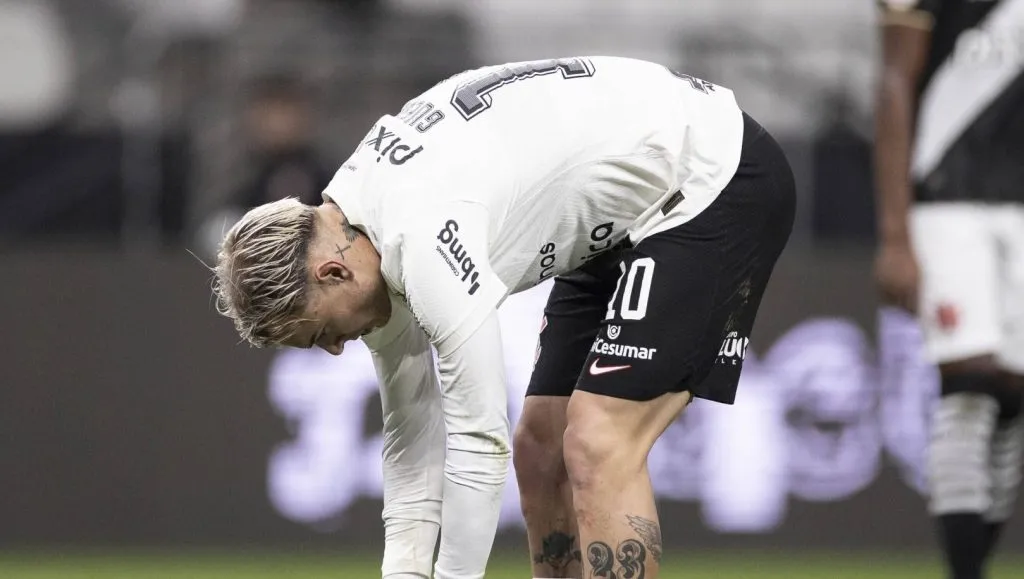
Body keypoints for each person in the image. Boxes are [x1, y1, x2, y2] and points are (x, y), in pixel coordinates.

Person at [213, 56, 795, 579]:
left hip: (709, 176)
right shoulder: (360, 226)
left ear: (331, 275)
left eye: (320, 334)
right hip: (626, 206)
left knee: (597, 438)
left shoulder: (421, 238)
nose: (338, 349)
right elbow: (413, 444)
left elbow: (474, 439)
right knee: (540, 448)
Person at [874, 2, 1024, 578]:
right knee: (970, 383)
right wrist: (894, 234)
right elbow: (892, 82)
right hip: (947, 198)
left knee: (1011, 397)